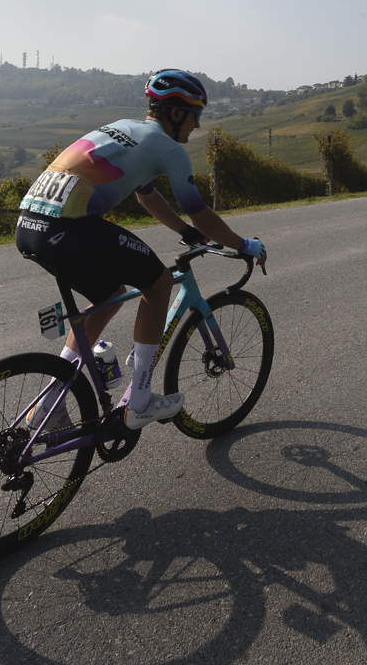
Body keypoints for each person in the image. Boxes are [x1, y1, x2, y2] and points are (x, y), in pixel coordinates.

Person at [15, 70, 267, 431]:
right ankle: (141, 401)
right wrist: (245, 245)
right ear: (177, 113)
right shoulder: (169, 149)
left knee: (111, 295)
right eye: (197, 114)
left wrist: (183, 231)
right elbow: (205, 216)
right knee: (159, 283)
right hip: (67, 228)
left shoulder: (125, 129)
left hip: (29, 226)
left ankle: (50, 403)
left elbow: (146, 194)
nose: (198, 125)